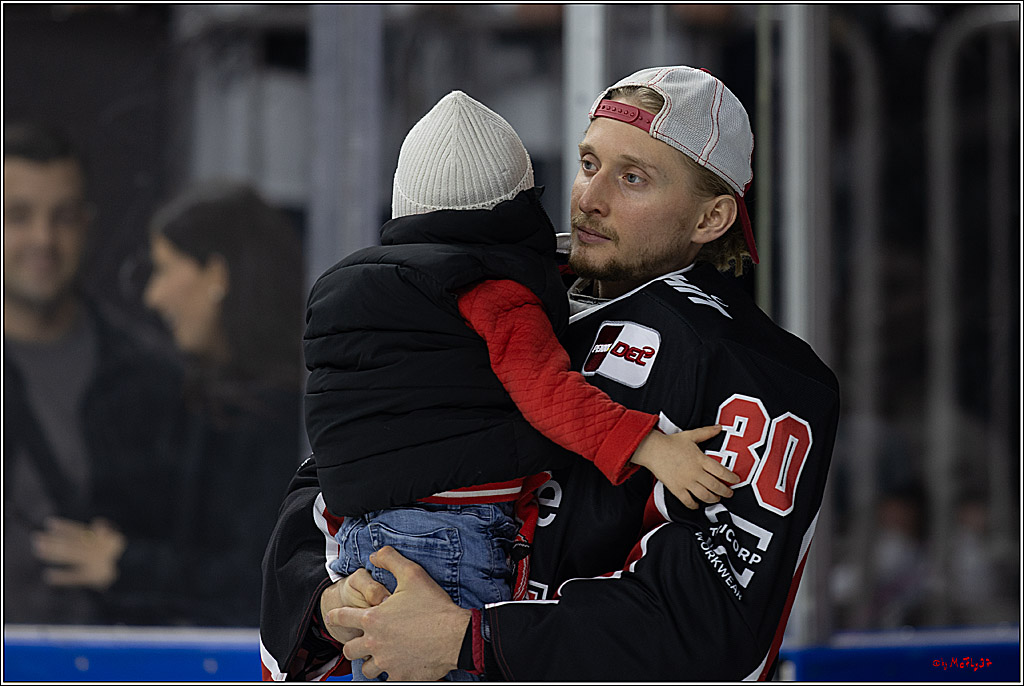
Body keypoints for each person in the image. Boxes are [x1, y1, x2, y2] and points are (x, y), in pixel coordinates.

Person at [260, 65, 840, 681]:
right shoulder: (482, 287)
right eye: (590, 164)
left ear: (711, 219)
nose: (589, 197)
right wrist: (335, 606)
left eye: (633, 178)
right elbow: (341, 468)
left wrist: (469, 640)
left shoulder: (755, 372)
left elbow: (708, 626)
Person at [3, 122, 183, 625]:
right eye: (18, 216)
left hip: (116, 653)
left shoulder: (151, 374)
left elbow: (197, 545)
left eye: (62, 217)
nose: (43, 238)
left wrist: (132, 566)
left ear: (87, 225)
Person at [125, 181, 307, 626]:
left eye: (165, 268)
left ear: (217, 275)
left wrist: (126, 563)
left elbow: (256, 576)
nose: (153, 296)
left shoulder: (278, 418)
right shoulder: (198, 399)